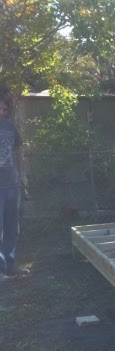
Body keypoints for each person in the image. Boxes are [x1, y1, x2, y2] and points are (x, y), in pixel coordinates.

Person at [0, 88, 29, 282]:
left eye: (3, 109)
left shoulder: (10, 127)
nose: (1, 112)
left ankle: (10, 265)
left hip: (12, 185)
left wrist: (22, 175)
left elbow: (18, 150)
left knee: (12, 228)